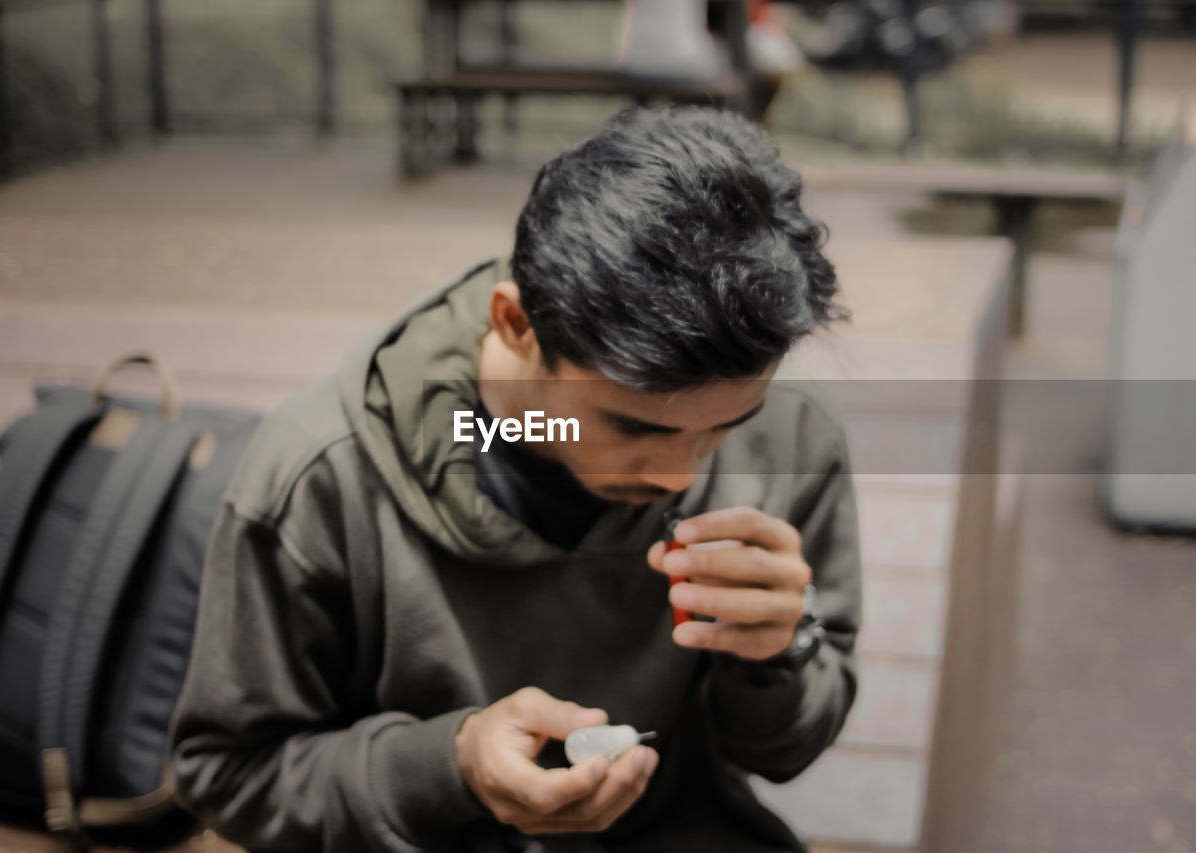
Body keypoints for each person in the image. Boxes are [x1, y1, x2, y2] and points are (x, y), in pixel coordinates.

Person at [170, 106, 861, 853]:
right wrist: (449, 768)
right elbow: (226, 772)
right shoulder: (325, 474)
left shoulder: (790, 433)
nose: (677, 473)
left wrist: (780, 652)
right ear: (516, 323)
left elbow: (786, 751)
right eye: (634, 426)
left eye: (725, 425)